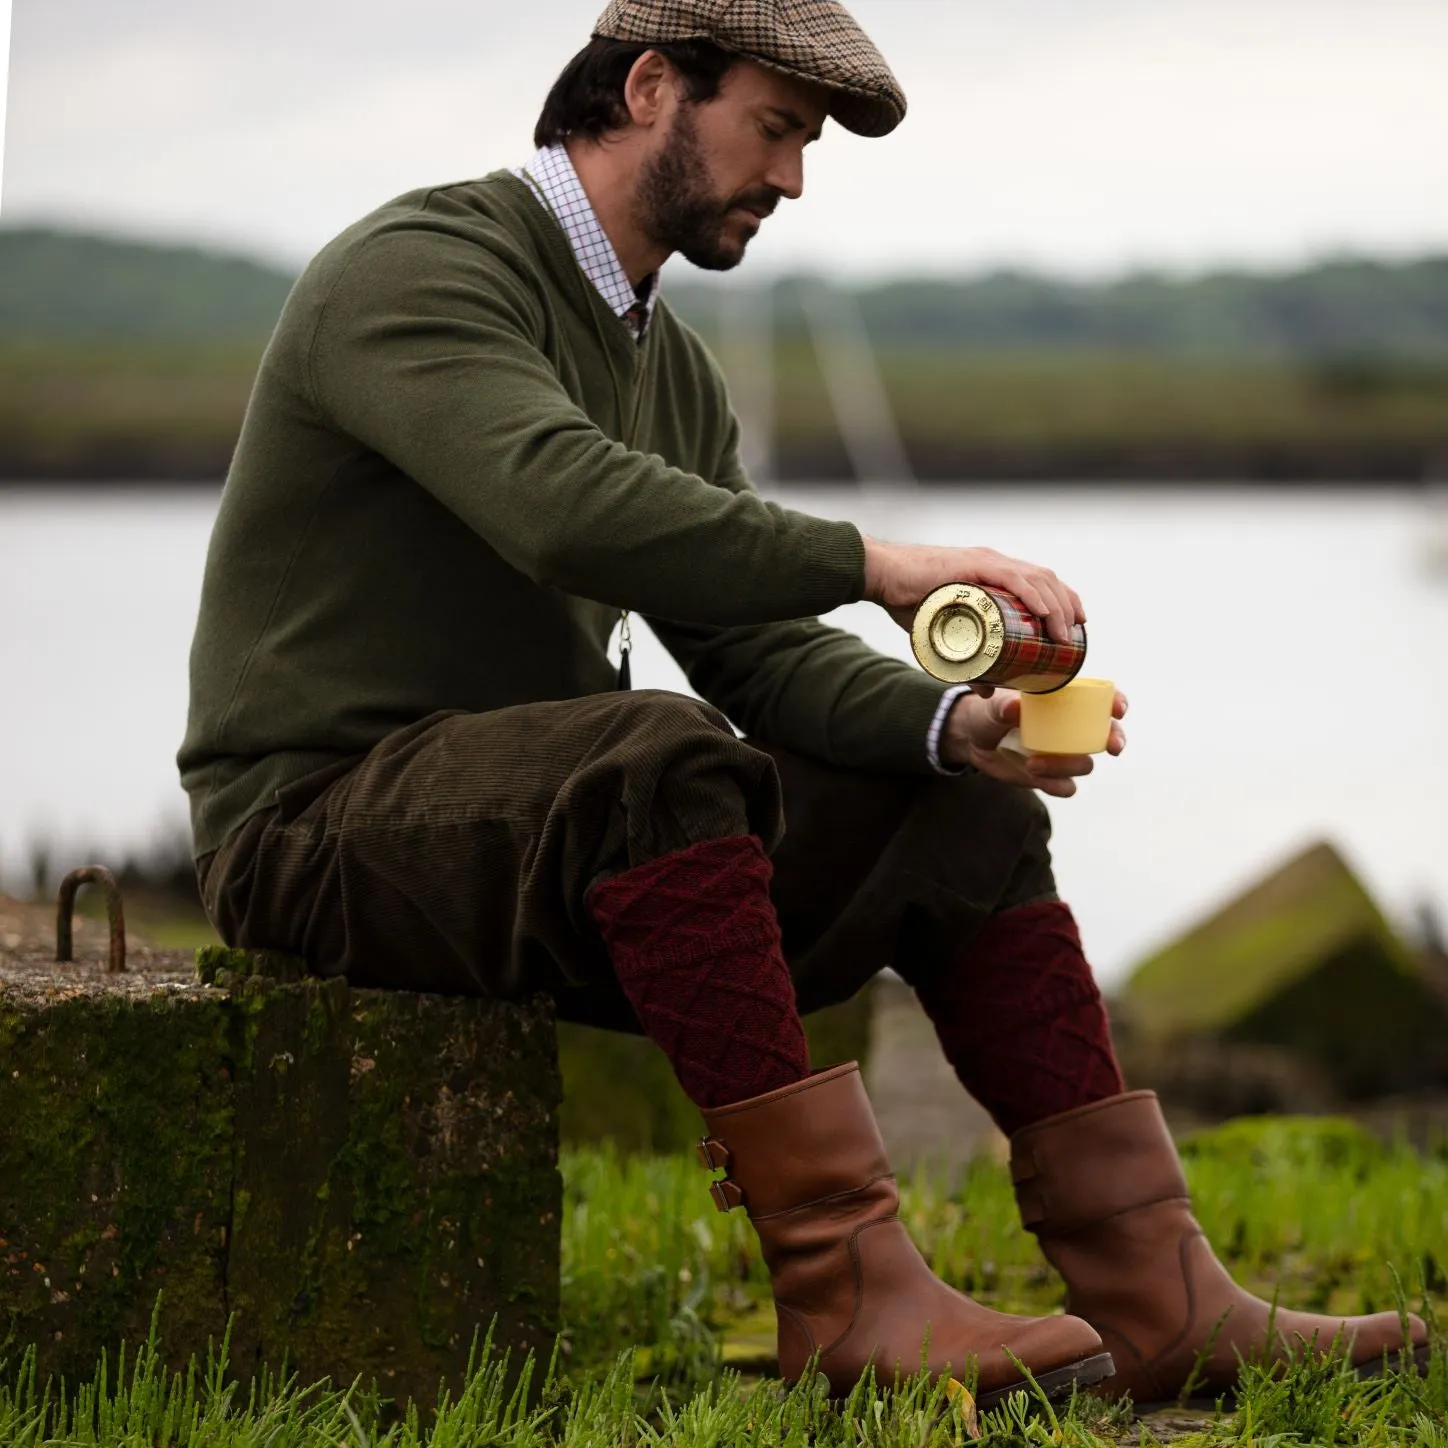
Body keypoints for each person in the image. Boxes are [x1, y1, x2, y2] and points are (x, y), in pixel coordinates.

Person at [177, 0, 1426, 1412]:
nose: (792, 179)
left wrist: (957, 728)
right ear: (651, 86)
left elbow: (753, 650)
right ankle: (849, 1293)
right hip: (315, 829)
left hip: (531, 837)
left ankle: (1161, 1295)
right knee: (656, 752)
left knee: (951, 807)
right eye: (774, 129)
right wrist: (879, 562)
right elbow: (557, 507)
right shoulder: (418, 272)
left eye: (806, 144)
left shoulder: (669, 363)